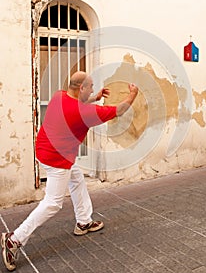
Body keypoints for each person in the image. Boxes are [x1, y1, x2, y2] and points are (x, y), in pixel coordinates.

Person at [1, 71, 138, 271]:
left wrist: (95, 97)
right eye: (90, 87)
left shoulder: (59, 96)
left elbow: (80, 102)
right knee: (53, 203)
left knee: (76, 179)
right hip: (58, 159)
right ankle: (14, 240)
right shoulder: (85, 113)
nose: (92, 89)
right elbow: (120, 109)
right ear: (81, 88)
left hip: (44, 149)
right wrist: (133, 94)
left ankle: (83, 222)